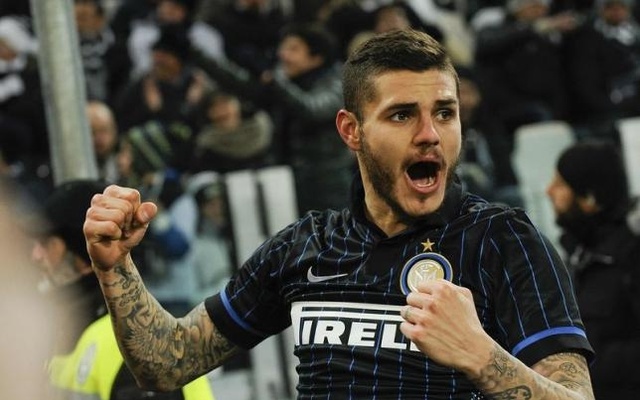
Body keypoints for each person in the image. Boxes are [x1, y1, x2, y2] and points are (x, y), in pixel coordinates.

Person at [83, 29, 595, 399]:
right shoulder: (307, 245)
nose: (429, 135)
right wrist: (114, 266)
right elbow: (168, 362)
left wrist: (480, 355)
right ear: (351, 130)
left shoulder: (502, 240)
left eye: (445, 112)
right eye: (402, 115)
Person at [31, 179, 215, 400]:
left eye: (47, 244)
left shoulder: (129, 341)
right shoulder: (76, 334)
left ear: (86, 257)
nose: (36, 255)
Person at [546, 140, 640, 399]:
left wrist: (582, 364)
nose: (549, 191)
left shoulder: (631, 253)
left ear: (589, 198)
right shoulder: (579, 251)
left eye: (560, 184)